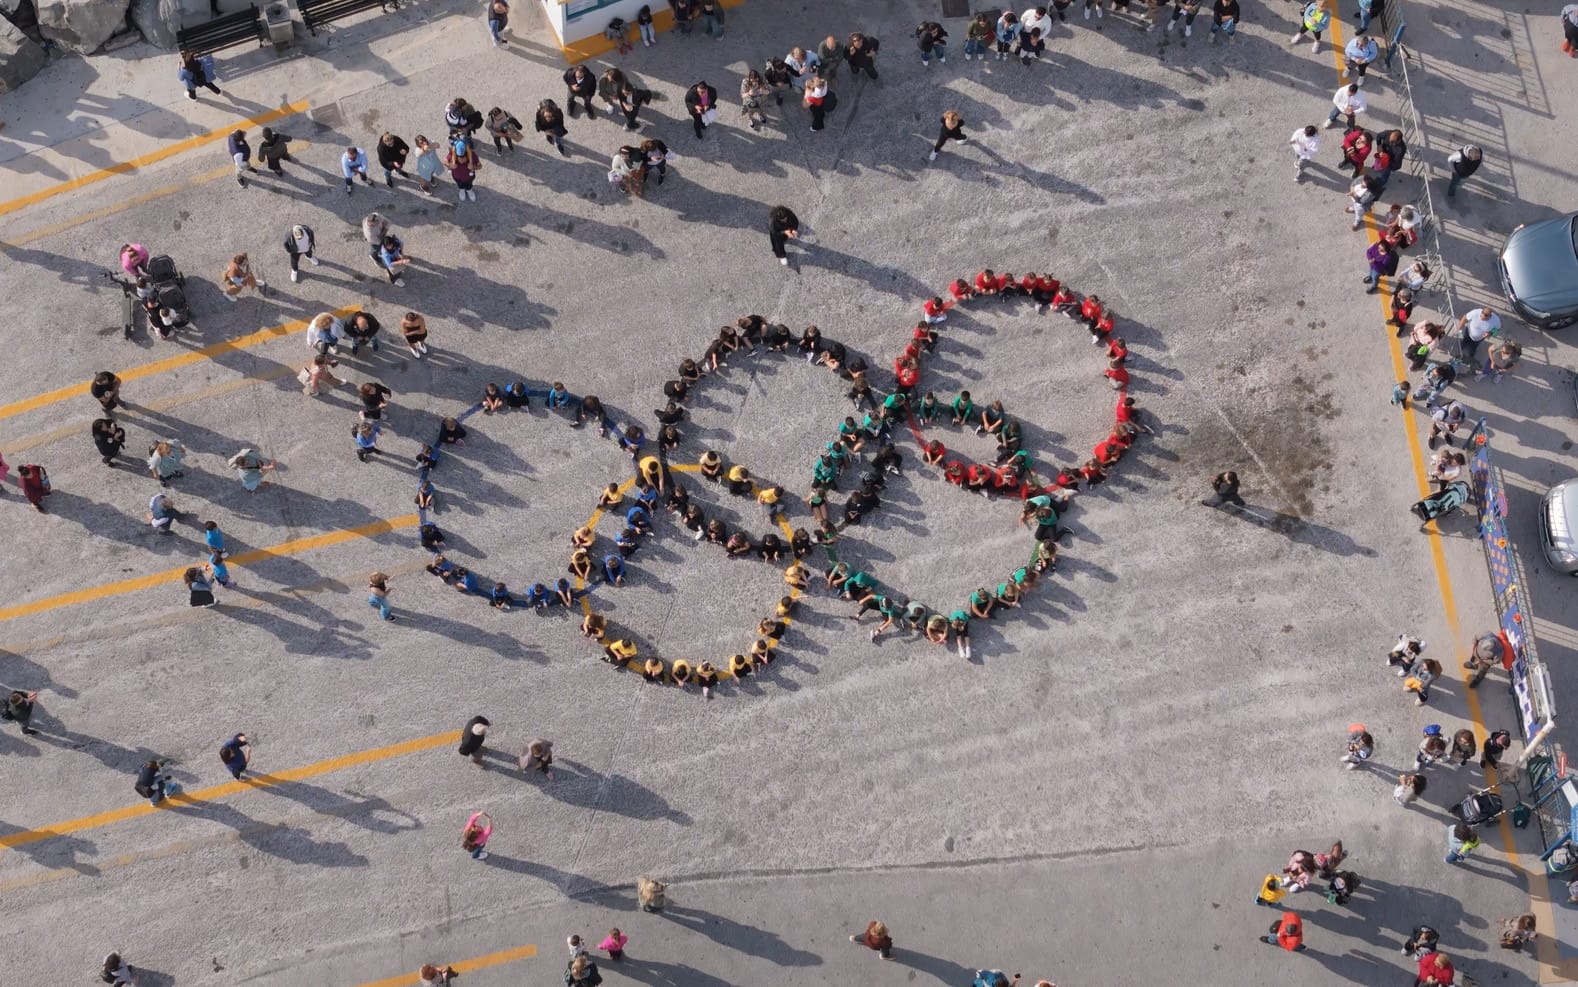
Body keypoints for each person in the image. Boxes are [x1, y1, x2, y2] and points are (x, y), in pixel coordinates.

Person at [445, 138, 481, 203]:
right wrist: (450, 165)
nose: (461, 161)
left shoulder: (473, 155)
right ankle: (461, 190)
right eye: (459, 159)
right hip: (457, 177)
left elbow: (480, 166)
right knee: (460, 185)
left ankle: (469, 190)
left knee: (469, 185)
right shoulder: (452, 154)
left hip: (469, 177)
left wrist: (473, 167)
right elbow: (445, 162)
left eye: (463, 159)